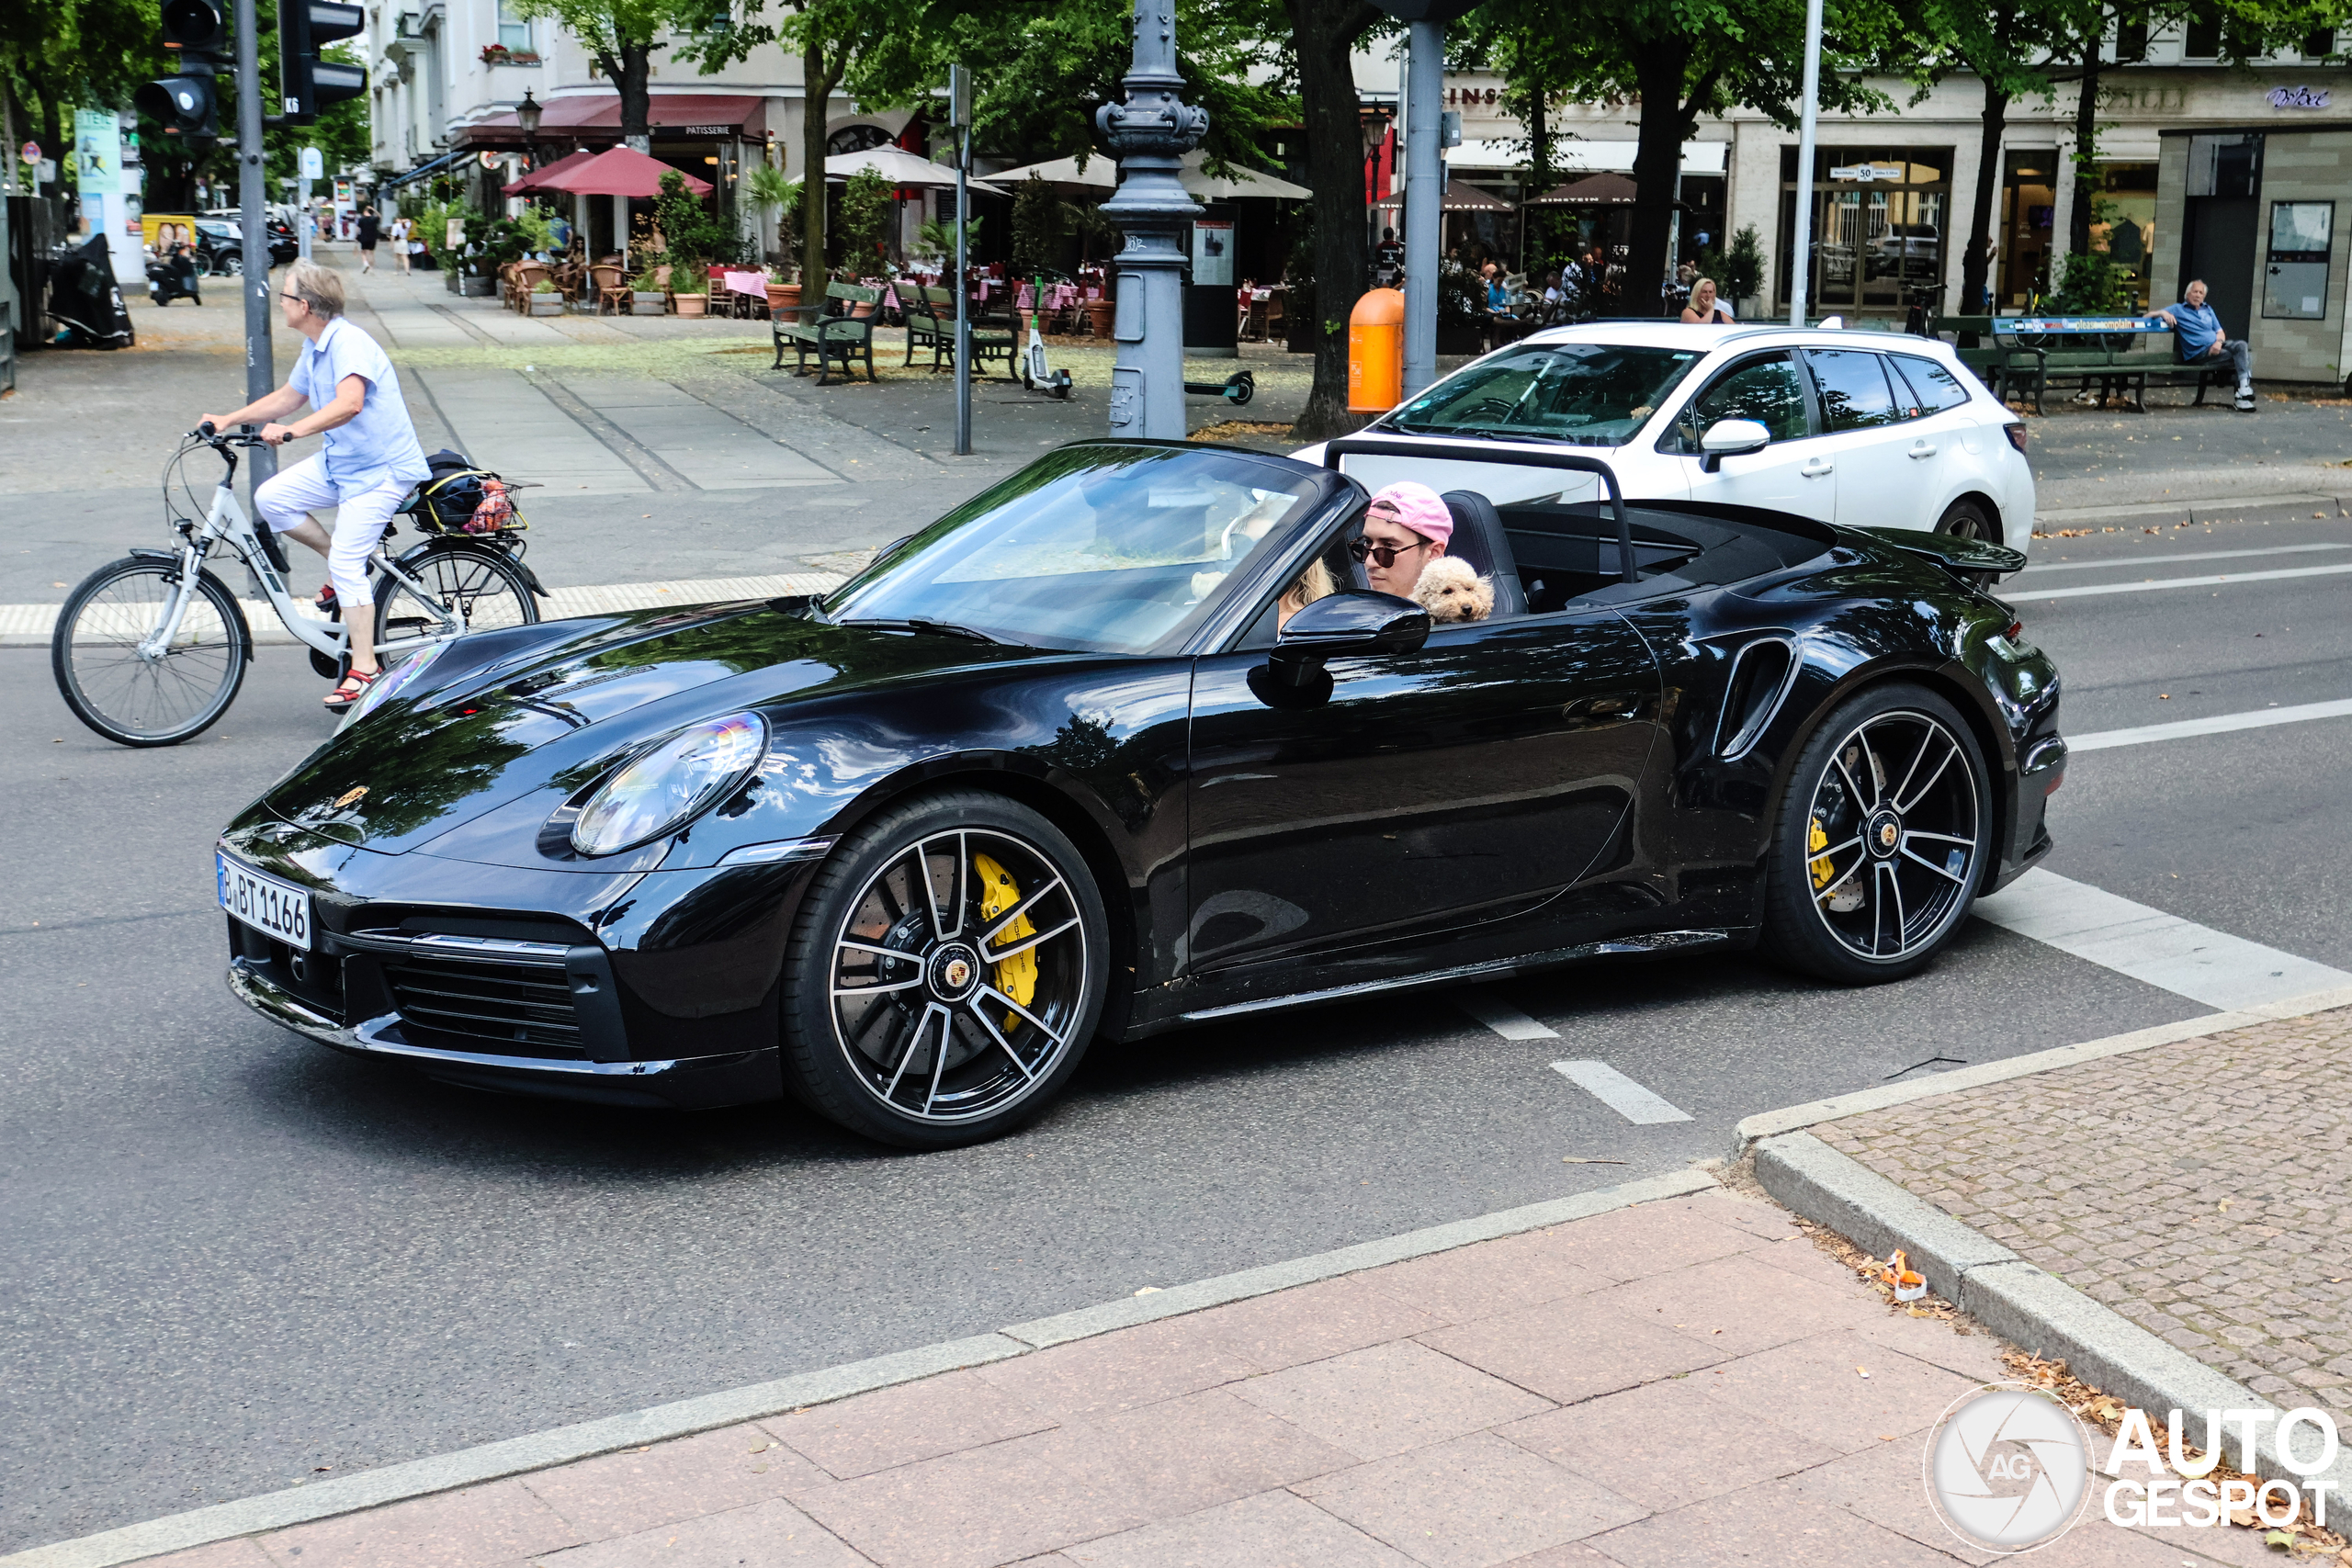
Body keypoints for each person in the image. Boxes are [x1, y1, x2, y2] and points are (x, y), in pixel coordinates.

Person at [198, 259, 431, 711]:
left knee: (346, 562)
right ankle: (349, 564)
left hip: (382, 470)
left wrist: (292, 432)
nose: (280, 303)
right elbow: (289, 397)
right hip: (343, 462)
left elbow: (350, 403)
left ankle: (365, 670)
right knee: (272, 498)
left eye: (284, 296)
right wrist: (229, 418)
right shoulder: (317, 345)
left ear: (303, 305)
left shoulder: (349, 344)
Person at [2154, 279, 2255, 412]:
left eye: (2201, 293)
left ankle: (2243, 389)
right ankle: (2241, 397)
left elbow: (2220, 332)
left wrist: (2218, 343)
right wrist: (2162, 313)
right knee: (2244, 357)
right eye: (2195, 291)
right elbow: (2148, 316)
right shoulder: (2178, 309)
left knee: (2242, 346)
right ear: (2187, 294)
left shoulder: (2208, 309)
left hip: (2216, 347)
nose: (2198, 295)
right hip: (2201, 353)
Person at [1352, 481, 1453, 599]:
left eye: (1388, 547)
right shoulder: (1353, 610)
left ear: (1434, 553)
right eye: (1367, 543)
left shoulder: (1458, 614)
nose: (1369, 562)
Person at [355, 204, 379, 273]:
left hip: (363, 237)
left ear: (365, 212)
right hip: (373, 238)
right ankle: (371, 268)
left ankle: (365, 264)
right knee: (371, 253)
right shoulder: (374, 219)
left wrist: (356, 236)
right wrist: (374, 210)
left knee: (363, 252)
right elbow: (380, 216)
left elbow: (357, 229)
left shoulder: (361, 219)